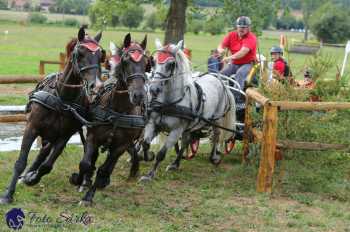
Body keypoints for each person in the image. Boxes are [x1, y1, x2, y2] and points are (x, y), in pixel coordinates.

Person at [217, 16, 257, 91]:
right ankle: (221, 93)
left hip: (248, 64)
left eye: (244, 27)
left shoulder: (251, 38)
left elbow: (242, 52)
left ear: (249, 28)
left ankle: (237, 96)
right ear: (237, 27)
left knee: (240, 73)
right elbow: (220, 45)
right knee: (221, 75)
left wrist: (229, 58)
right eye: (240, 27)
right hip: (235, 64)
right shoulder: (231, 35)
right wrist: (221, 50)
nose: (241, 29)